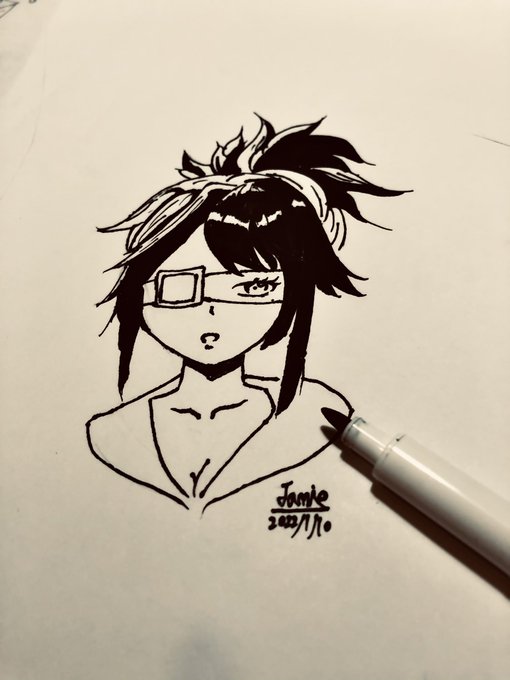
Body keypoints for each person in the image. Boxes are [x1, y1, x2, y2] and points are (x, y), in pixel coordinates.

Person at [86, 117, 402, 513]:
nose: (212, 312)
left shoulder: (314, 413)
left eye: (255, 288)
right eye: (179, 287)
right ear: (140, 290)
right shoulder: (112, 431)